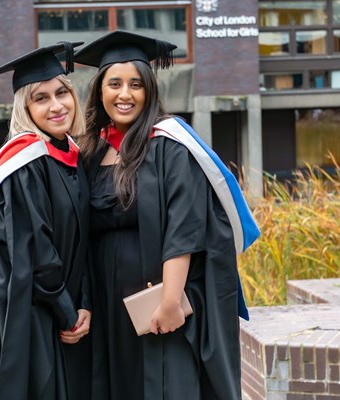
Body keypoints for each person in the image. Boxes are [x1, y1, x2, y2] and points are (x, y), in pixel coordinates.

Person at [74, 31, 260, 400]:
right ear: (99, 91)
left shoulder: (170, 145)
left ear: (149, 92)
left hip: (158, 297)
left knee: (165, 384)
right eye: (114, 84)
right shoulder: (90, 153)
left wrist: (171, 300)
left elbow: (185, 226)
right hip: (108, 302)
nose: (124, 94)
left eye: (135, 85)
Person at [0, 41, 92, 400]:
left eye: (62, 93)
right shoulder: (24, 164)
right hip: (24, 317)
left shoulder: (71, 155)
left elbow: (85, 240)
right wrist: (68, 314)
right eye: (40, 98)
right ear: (25, 108)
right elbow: (37, 252)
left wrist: (85, 303)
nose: (56, 105)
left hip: (62, 312)